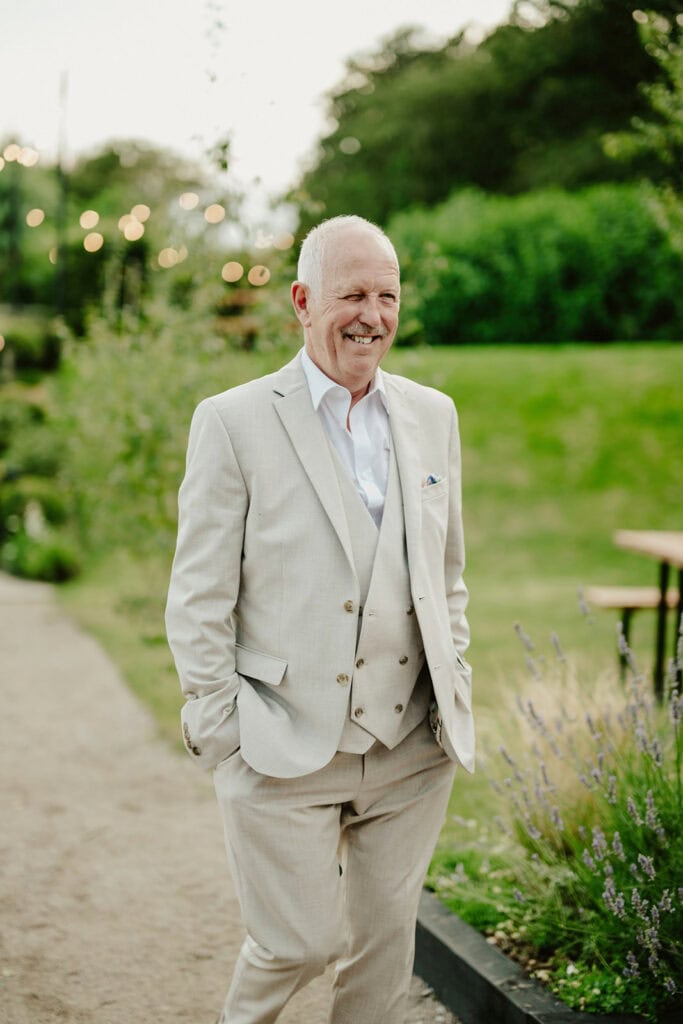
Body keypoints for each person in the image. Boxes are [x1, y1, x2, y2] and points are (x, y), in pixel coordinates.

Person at [165, 215, 474, 1024]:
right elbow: (198, 592)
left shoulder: (432, 414)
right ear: (303, 302)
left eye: (386, 295)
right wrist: (219, 720)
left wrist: (455, 682)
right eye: (351, 295)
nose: (371, 314)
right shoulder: (232, 421)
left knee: (383, 952)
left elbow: (447, 576)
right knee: (296, 944)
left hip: (409, 745)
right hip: (280, 741)